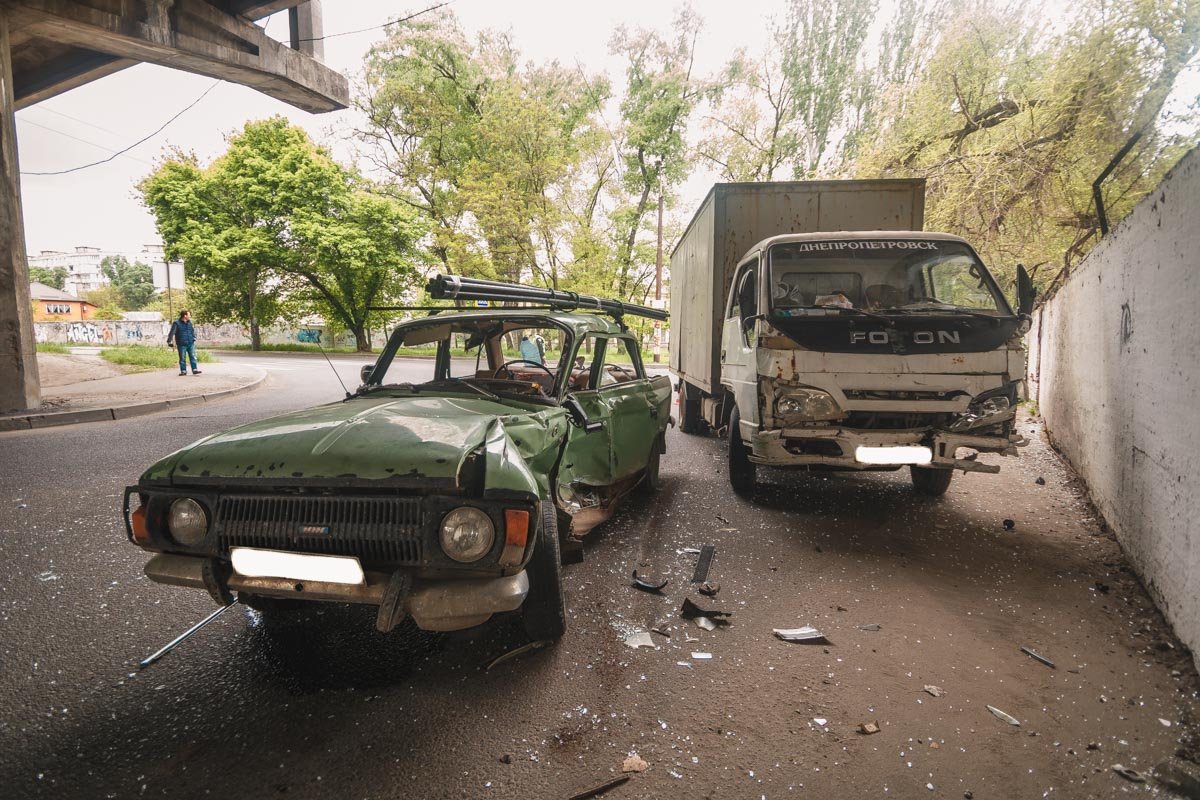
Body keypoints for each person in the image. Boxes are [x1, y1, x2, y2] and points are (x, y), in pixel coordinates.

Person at [166, 310, 201, 376]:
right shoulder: (176, 323)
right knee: (182, 358)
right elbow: (172, 332)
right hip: (181, 343)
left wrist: (194, 337)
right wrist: (169, 341)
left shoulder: (189, 322)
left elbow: (192, 331)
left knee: (193, 356)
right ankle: (183, 371)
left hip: (190, 342)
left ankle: (195, 369)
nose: (190, 316)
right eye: (189, 315)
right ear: (185, 316)